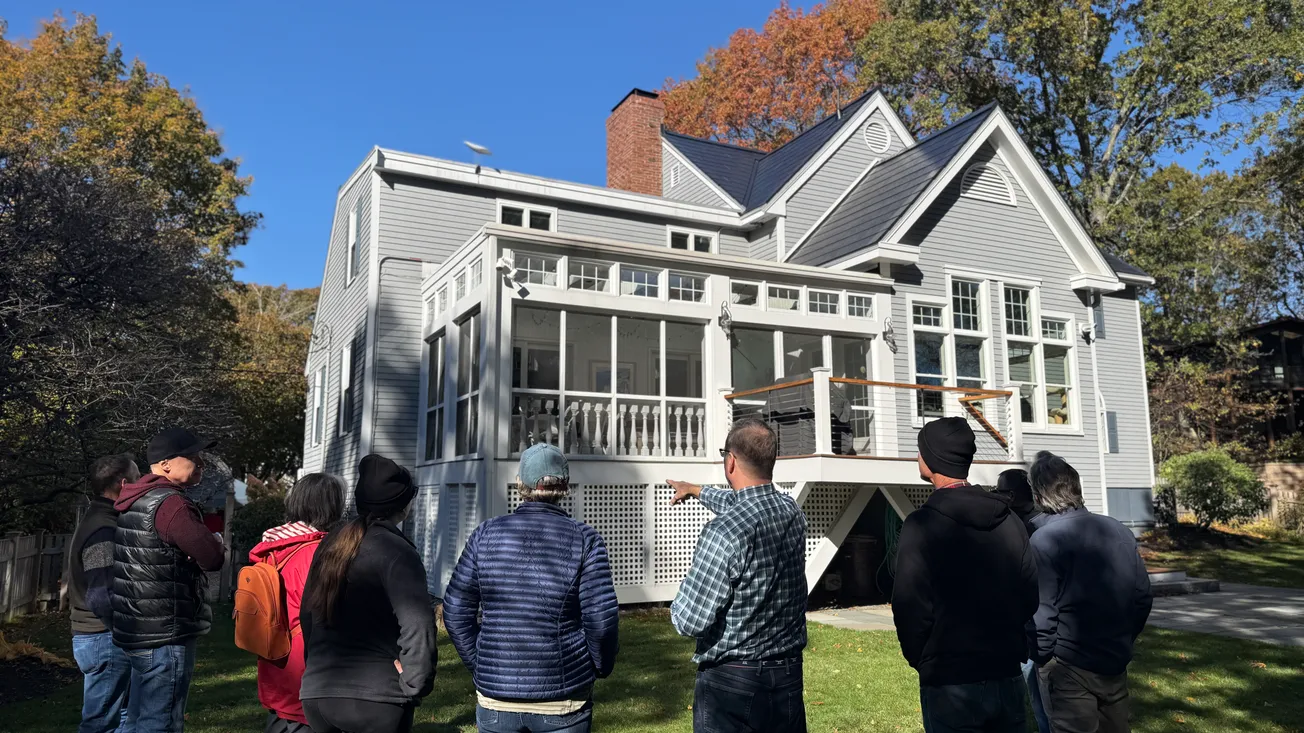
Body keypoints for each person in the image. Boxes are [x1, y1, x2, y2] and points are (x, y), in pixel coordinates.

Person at [443, 444, 619, 733]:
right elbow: (601, 622)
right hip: (563, 701)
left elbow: (455, 611)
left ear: (520, 484)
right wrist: (600, 666)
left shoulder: (485, 535)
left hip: (498, 701)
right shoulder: (585, 539)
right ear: (564, 486)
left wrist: (482, 664)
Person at [892, 417, 1038, 733]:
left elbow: (910, 607)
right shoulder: (1010, 521)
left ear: (930, 459)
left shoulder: (921, 526)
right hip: (1006, 675)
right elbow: (1029, 595)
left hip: (951, 682)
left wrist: (924, 661)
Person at [666, 418, 808, 733]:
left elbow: (690, 621)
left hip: (731, 681)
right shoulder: (792, 512)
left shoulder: (724, 531)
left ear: (730, 461)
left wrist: (677, 605)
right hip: (787, 674)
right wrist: (695, 490)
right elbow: (740, 499)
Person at [300, 455, 437, 733]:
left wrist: (315, 669)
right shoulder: (398, 551)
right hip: (375, 700)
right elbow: (418, 623)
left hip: (318, 695)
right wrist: (416, 682)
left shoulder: (331, 543)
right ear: (404, 505)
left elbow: (307, 615)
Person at [1027, 451, 1153, 733]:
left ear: (1038, 496)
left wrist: (1042, 656)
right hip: (1113, 657)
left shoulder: (1043, 539)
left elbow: (1042, 612)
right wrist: (1122, 638)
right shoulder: (1118, 530)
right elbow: (1142, 596)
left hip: (1068, 665)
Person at [112, 428, 225, 733]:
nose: (200, 463)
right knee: (159, 723)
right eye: (192, 457)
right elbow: (211, 557)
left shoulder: (135, 499)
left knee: (136, 718)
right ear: (165, 465)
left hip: (138, 628)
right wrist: (214, 542)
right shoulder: (172, 505)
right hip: (165, 632)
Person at [248, 473, 345, 733]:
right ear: (331, 507)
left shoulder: (274, 547)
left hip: (276, 659)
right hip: (307, 670)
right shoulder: (316, 554)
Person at [71, 454, 140, 733]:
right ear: (124, 485)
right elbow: (101, 596)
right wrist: (127, 629)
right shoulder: (102, 529)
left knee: (119, 719)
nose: (140, 485)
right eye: (137, 479)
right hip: (104, 637)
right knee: (100, 724)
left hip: (102, 637)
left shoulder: (104, 519)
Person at [994, 468, 1050, 733]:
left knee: (1044, 706)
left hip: (1037, 631)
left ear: (1012, 496)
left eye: (1000, 492)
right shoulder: (1042, 521)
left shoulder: (1031, 530)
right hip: (1036, 628)